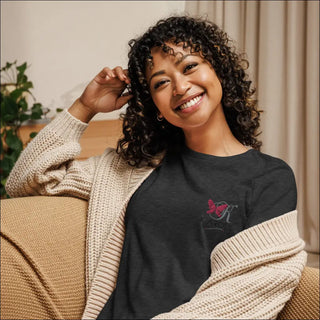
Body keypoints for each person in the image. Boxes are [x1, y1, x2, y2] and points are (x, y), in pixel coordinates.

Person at [6, 16, 306, 319]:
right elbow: (28, 180)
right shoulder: (134, 169)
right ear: (155, 106)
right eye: (161, 82)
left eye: (189, 67)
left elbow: (251, 287)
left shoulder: (269, 177)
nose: (179, 87)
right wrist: (85, 106)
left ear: (218, 69)